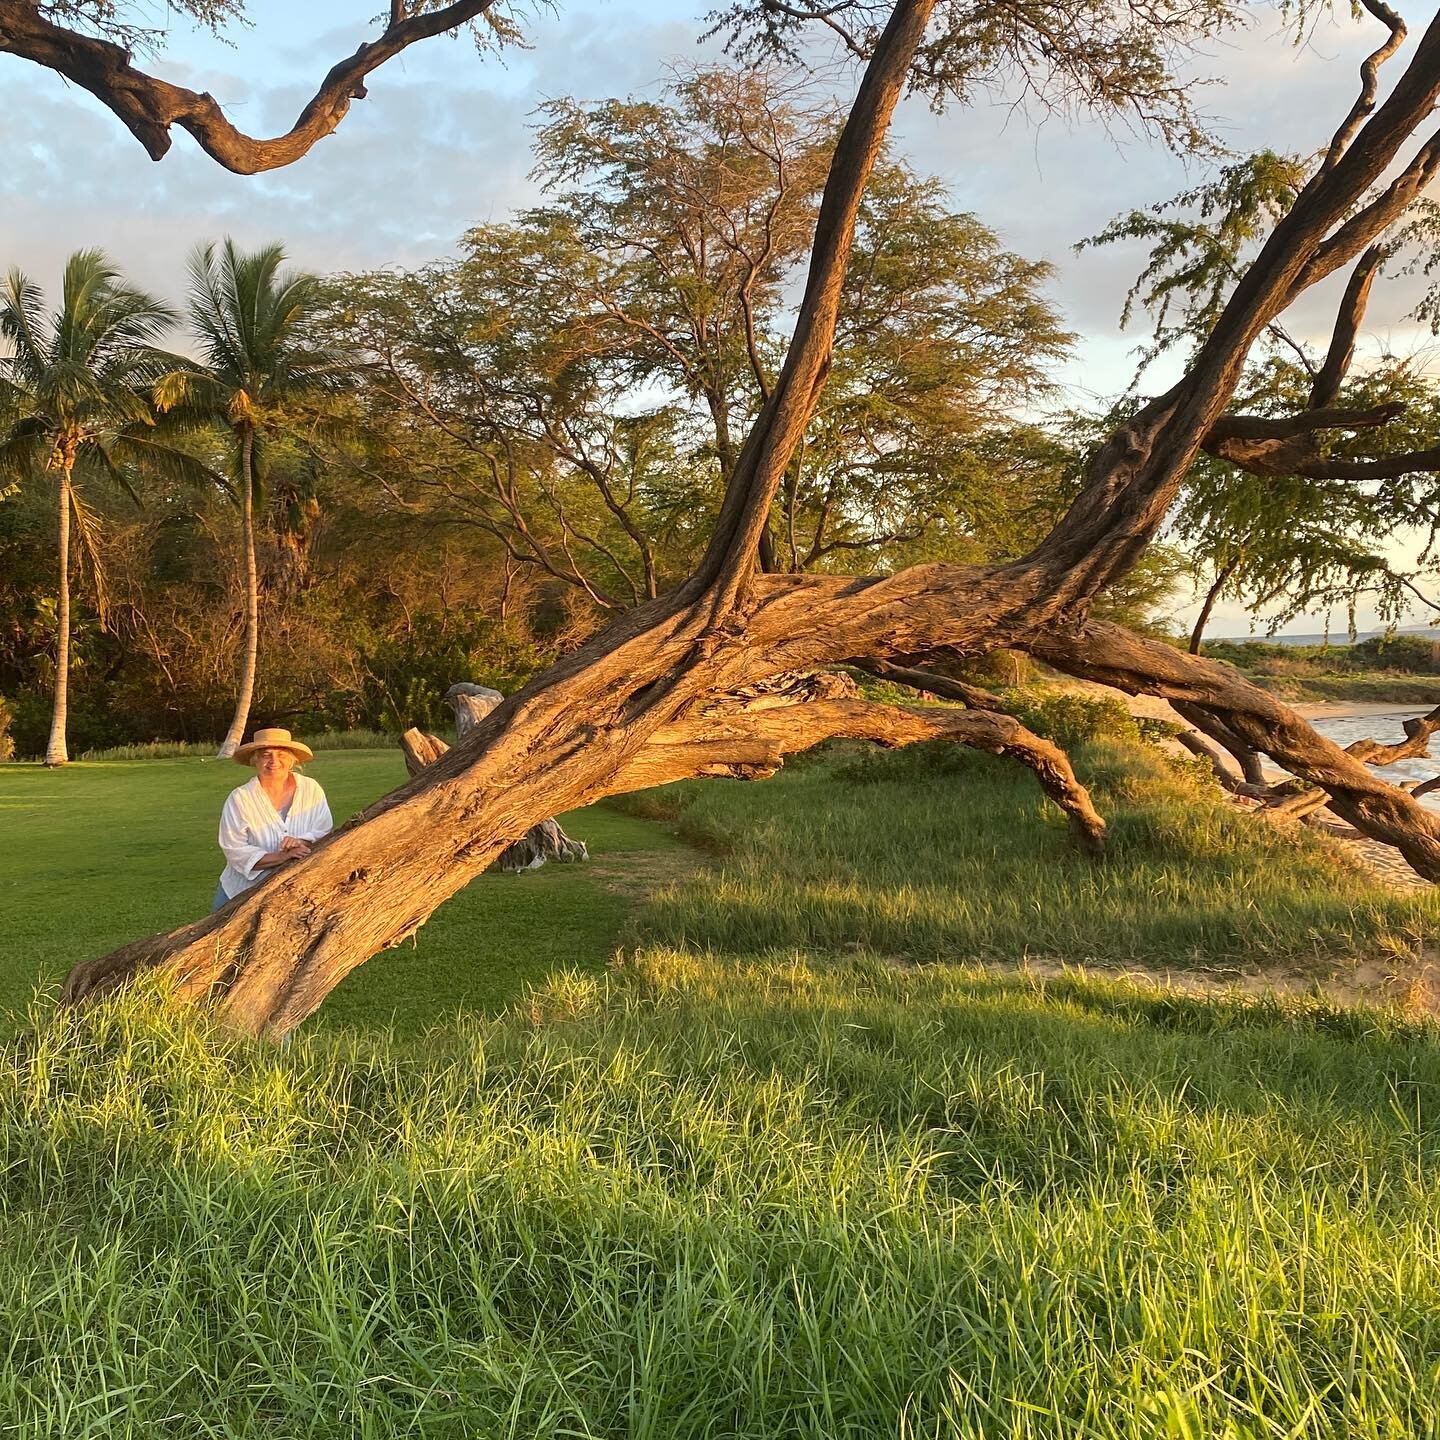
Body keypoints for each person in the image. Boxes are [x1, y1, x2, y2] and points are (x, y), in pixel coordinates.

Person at [213, 728, 333, 912]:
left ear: (292, 759)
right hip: (241, 891)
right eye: (266, 755)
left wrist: (300, 841)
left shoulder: (311, 789)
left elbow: (324, 829)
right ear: (255, 760)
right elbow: (233, 847)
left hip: (297, 889)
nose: (274, 761)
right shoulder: (240, 797)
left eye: (281, 755)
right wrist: (281, 857)